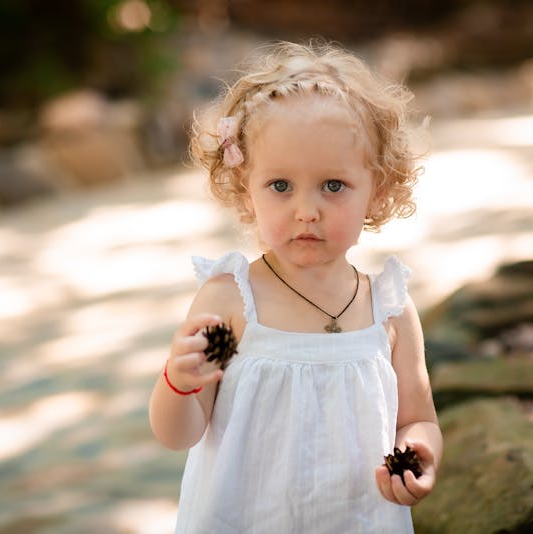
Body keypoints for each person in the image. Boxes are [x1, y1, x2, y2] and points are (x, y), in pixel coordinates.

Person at [149, 41, 442, 533]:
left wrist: (419, 451)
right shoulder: (231, 302)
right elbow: (180, 434)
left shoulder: (388, 309)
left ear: (378, 190)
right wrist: (180, 382)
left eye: (333, 186)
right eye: (280, 186)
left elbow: (418, 418)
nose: (307, 211)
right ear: (247, 189)